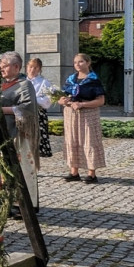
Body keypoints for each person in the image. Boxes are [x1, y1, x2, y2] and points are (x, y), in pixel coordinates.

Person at [0, 51, 40, 216]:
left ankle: (25, 205)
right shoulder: (1, 83)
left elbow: (28, 108)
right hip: (3, 132)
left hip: (19, 133)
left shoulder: (24, 84)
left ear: (16, 67)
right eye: (1, 64)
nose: (1, 67)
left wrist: (1, 110)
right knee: (5, 169)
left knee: (21, 168)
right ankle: (7, 201)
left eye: (5, 65)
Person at [57, 52, 106, 183]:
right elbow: (63, 95)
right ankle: (74, 172)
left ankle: (91, 173)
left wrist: (83, 104)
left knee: (89, 141)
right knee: (72, 140)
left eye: (80, 62)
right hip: (71, 114)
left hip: (88, 113)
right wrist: (62, 100)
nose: (77, 65)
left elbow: (101, 100)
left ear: (88, 63)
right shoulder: (71, 79)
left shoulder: (93, 80)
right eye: (75, 62)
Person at [26, 57, 54, 162]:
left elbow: (47, 100)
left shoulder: (44, 82)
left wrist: (33, 100)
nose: (32, 70)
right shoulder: (22, 81)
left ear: (40, 69)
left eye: (35, 67)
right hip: (23, 113)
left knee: (35, 141)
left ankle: (34, 165)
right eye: (30, 67)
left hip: (38, 114)